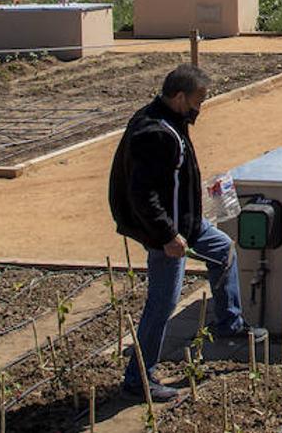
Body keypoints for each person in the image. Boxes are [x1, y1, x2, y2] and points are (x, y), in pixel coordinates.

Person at [109, 65, 266, 401]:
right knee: (162, 303)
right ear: (180, 97)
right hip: (168, 234)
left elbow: (175, 179)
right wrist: (167, 236)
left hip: (189, 225)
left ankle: (230, 323)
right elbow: (143, 194)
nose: (200, 108)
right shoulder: (155, 132)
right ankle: (138, 378)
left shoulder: (170, 122)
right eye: (198, 100)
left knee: (223, 249)